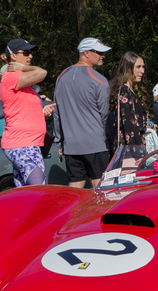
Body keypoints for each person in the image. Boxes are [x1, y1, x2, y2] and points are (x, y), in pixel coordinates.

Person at [53, 37, 112, 189]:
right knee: (100, 189)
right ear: (86, 53)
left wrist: (59, 140)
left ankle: (74, 214)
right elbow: (106, 115)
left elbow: (56, 112)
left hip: (71, 146)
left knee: (75, 188)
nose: (102, 55)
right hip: (96, 144)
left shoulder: (61, 77)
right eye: (99, 52)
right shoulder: (99, 80)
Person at [0, 38, 55, 187]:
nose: (30, 56)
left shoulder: (23, 84)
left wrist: (41, 112)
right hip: (23, 143)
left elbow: (20, 110)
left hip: (26, 143)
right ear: (13, 56)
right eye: (25, 52)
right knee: (38, 189)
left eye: (30, 52)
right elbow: (42, 72)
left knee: (25, 191)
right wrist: (22, 68)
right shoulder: (11, 77)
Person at [109, 51, 148, 153]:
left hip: (131, 147)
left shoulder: (129, 91)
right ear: (128, 68)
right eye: (138, 67)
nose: (142, 71)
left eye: (143, 67)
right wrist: (139, 153)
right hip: (130, 150)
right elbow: (130, 127)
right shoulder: (125, 91)